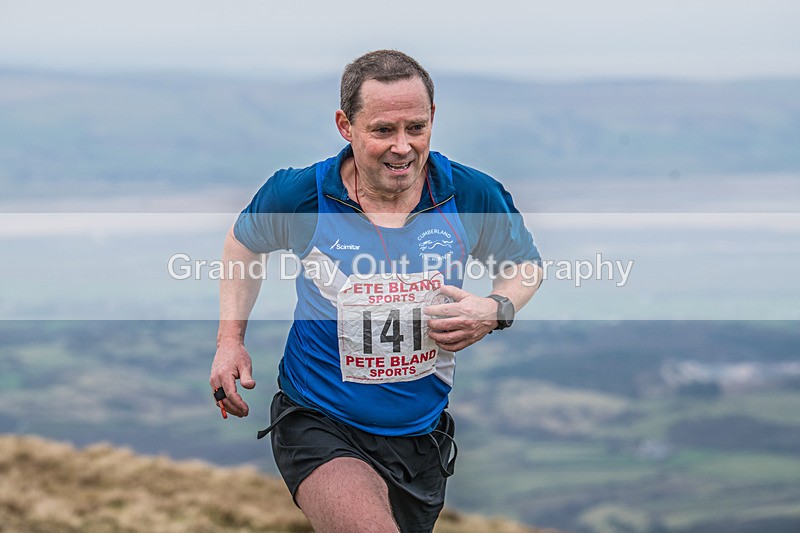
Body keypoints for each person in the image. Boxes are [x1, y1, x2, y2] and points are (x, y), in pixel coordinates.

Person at [209, 50, 542, 533]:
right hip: (319, 420)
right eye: (383, 130)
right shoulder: (300, 195)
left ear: (433, 120)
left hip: (420, 437)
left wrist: (496, 308)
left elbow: (524, 265)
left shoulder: (470, 195)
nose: (403, 147)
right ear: (346, 125)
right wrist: (229, 341)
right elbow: (243, 245)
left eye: (417, 128)